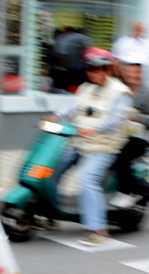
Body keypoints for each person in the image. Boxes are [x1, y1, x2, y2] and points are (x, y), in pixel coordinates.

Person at [53, 47, 133, 246]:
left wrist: (95, 130)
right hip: (80, 142)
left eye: (100, 68)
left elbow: (116, 119)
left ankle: (98, 230)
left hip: (103, 147)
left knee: (87, 178)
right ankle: (47, 214)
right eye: (91, 69)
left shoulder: (120, 92)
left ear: (108, 69)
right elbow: (73, 108)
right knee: (51, 168)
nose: (95, 72)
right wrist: (56, 115)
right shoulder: (85, 88)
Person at [111, 58, 149, 207]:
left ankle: (126, 192)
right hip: (121, 134)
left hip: (142, 136)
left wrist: (136, 117)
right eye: (130, 71)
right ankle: (146, 190)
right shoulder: (120, 90)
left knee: (121, 156)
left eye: (137, 72)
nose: (133, 75)